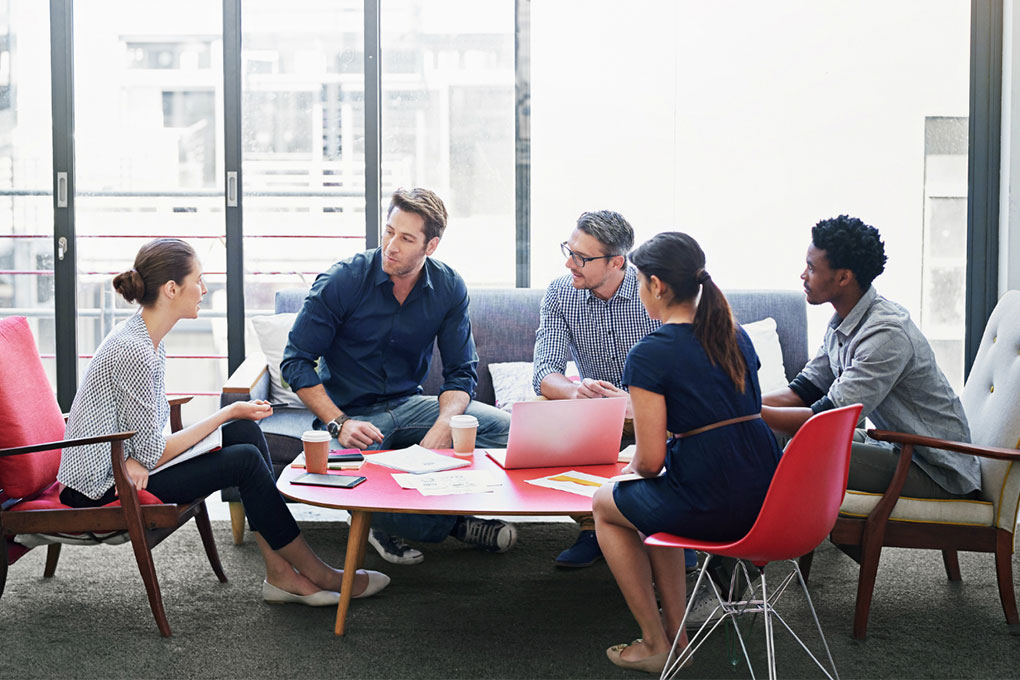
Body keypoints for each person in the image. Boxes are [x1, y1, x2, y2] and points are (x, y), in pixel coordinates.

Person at [57, 238, 389, 606]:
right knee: (243, 457)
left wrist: (144, 454)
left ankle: (280, 576)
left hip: (125, 463)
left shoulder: (147, 338)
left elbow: (145, 438)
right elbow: (150, 451)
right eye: (198, 280)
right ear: (171, 289)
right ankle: (320, 574)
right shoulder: (135, 349)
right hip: (102, 485)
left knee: (244, 431)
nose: (204, 289)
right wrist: (225, 413)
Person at [281, 187, 516, 565]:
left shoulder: (449, 287)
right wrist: (339, 422)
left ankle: (390, 517)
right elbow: (295, 362)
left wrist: (444, 426)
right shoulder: (342, 280)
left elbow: (461, 374)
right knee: (350, 477)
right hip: (351, 413)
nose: (391, 245)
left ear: (431, 245)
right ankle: (447, 525)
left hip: (410, 405)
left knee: (511, 431)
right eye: (389, 231)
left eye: (406, 238)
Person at [591, 232, 781, 674]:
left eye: (639, 283)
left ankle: (657, 640)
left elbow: (651, 460)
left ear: (657, 285)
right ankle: (677, 639)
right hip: (768, 497)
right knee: (655, 501)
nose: (639, 293)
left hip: (714, 501)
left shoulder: (651, 354)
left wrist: (625, 473)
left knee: (605, 503)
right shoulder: (734, 334)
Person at [761, 215, 979, 499]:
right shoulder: (843, 321)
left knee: (804, 450)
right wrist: (739, 404)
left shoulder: (886, 334)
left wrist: (746, 414)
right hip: (898, 447)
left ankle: (779, 541)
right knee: (785, 439)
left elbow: (824, 418)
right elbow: (803, 391)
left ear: (843, 277)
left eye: (812, 268)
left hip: (937, 469)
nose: (803, 274)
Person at [534, 210, 679, 570]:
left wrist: (638, 405)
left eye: (581, 257)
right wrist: (573, 394)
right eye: (569, 251)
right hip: (596, 413)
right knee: (542, 407)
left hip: (659, 411)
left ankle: (673, 527)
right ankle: (592, 527)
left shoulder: (655, 292)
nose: (570, 263)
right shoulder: (559, 293)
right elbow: (545, 370)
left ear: (617, 262)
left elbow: (685, 372)